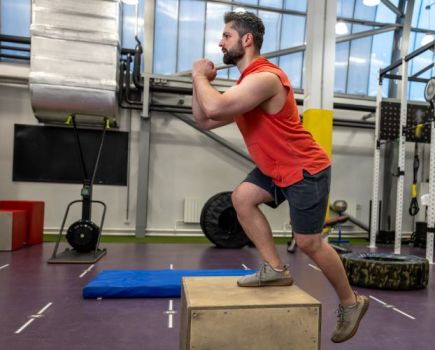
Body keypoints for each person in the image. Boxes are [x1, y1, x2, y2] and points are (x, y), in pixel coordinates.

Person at [191, 10, 369, 343]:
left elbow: (213, 109)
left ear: (247, 40)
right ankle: (275, 269)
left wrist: (201, 77)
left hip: (304, 167)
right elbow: (203, 119)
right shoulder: (245, 84)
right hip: (275, 167)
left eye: (226, 36)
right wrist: (196, 81)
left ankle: (351, 302)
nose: (220, 42)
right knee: (242, 197)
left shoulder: (265, 78)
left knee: (308, 243)